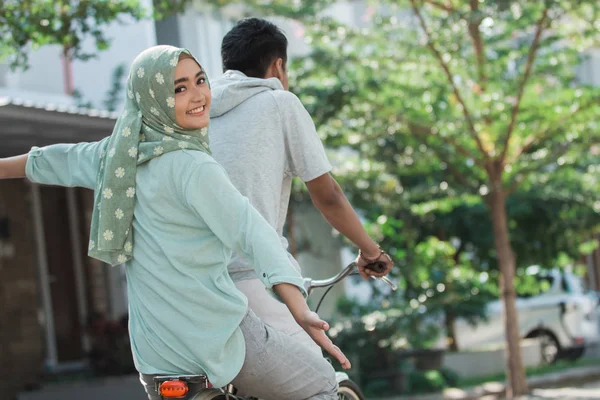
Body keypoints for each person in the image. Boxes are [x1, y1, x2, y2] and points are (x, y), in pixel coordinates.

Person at [0, 45, 347, 400]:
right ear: (154, 99)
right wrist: (299, 309)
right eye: (179, 88)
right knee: (321, 382)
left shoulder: (116, 157)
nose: (198, 96)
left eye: (200, 80)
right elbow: (253, 234)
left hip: (156, 354)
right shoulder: (192, 166)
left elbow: (50, 160)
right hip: (217, 337)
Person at [209, 18, 394, 352]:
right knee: (317, 379)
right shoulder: (281, 103)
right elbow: (329, 196)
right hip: (254, 276)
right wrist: (371, 251)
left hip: (194, 281)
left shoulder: (197, 112)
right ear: (279, 65)